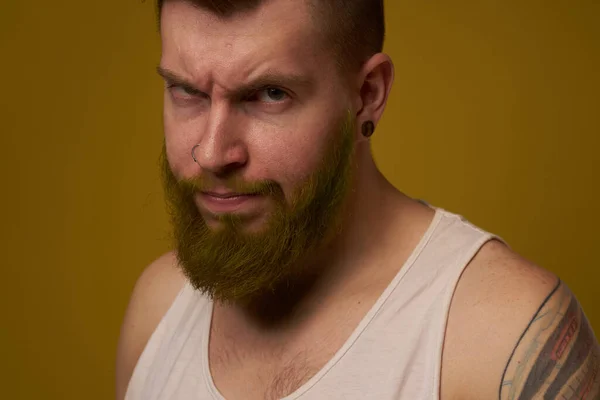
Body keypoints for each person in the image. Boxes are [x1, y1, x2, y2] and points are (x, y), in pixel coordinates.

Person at [115, 0, 600, 398]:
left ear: (368, 94)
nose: (213, 153)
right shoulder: (158, 306)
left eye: (269, 94)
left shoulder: (499, 339)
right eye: (186, 91)